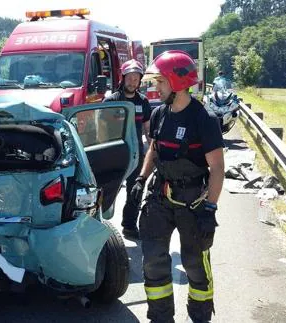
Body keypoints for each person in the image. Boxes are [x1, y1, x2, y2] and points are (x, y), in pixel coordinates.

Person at [130, 50, 225, 323]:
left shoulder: (203, 119)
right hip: (160, 198)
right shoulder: (160, 114)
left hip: (193, 202)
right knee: (152, 261)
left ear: (178, 83)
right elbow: (155, 149)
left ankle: (200, 316)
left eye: (160, 82)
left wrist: (210, 208)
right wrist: (141, 178)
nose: (154, 87)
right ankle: (161, 318)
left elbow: (217, 168)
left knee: (194, 264)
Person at [103, 58, 151, 240]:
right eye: (129, 77)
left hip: (136, 153)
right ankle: (99, 224)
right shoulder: (111, 100)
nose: (132, 81)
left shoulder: (143, 102)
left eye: (136, 78)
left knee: (135, 190)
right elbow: (101, 128)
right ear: (123, 78)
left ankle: (129, 226)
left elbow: (147, 130)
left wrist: (153, 149)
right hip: (114, 154)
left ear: (140, 80)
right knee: (108, 189)